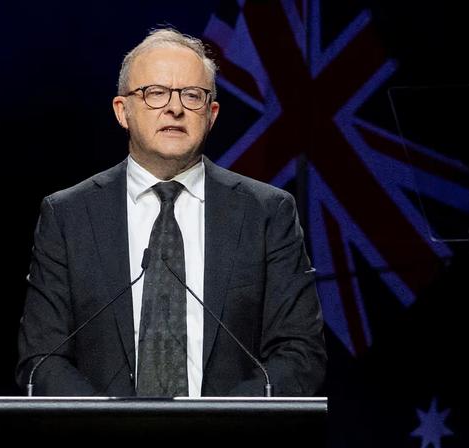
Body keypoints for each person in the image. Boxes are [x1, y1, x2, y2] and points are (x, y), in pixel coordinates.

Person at [16, 27, 326, 397]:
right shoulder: (68, 216)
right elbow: (41, 358)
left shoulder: (267, 213)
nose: (175, 108)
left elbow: (300, 353)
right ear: (122, 110)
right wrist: (115, 425)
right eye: (155, 93)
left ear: (211, 114)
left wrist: (216, 423)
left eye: (192, 95)